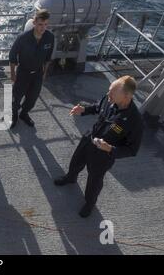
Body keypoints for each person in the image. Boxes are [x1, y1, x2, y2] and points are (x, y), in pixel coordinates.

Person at [54, 76, 143, 218]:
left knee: (94, 181)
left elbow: (132, 150)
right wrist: (84, 110)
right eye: (109, 91)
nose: (108, 95)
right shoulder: (110, 99)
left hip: (103, 154)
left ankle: (89, 203)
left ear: (127, 96)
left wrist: (110, 149)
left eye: (113, 93)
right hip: (89, 139)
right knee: (76, 161)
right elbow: (97, 107)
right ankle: (71, 177)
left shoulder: (135, 120)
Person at [9, 9, 55, 129]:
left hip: (38, 74)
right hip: (23, 73)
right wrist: (13, 73)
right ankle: (14, 115)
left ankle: (24, 114)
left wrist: (44, 73)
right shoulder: (23, 38)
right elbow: (12, 55)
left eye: (45, 25)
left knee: (32, 98)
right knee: (16, 97)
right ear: (34, 22)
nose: (43, 28)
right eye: (40, 24)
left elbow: (48, 57)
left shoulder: (50, 37)